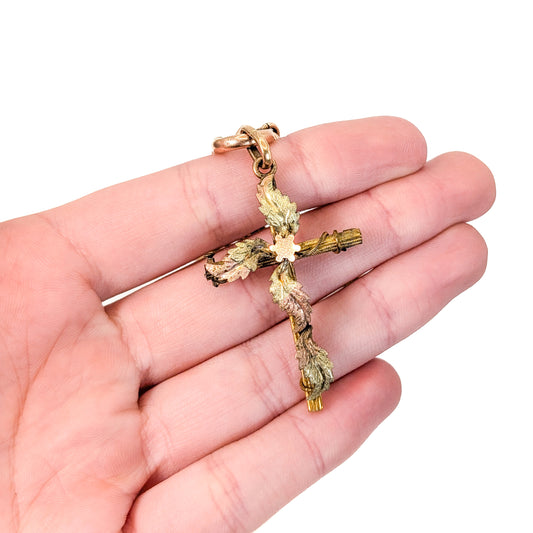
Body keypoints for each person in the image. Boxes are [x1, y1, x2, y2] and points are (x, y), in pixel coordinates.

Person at [0, 117, 495, 532]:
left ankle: (313, 379)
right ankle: (312, 378)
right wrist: (227, 267)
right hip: (281, 270)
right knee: (300, 323)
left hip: (293, 266)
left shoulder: (286, 233)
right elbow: (251, 253)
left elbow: (293, 235)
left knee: (303, 323)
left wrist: (333, 240)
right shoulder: (272, 244)